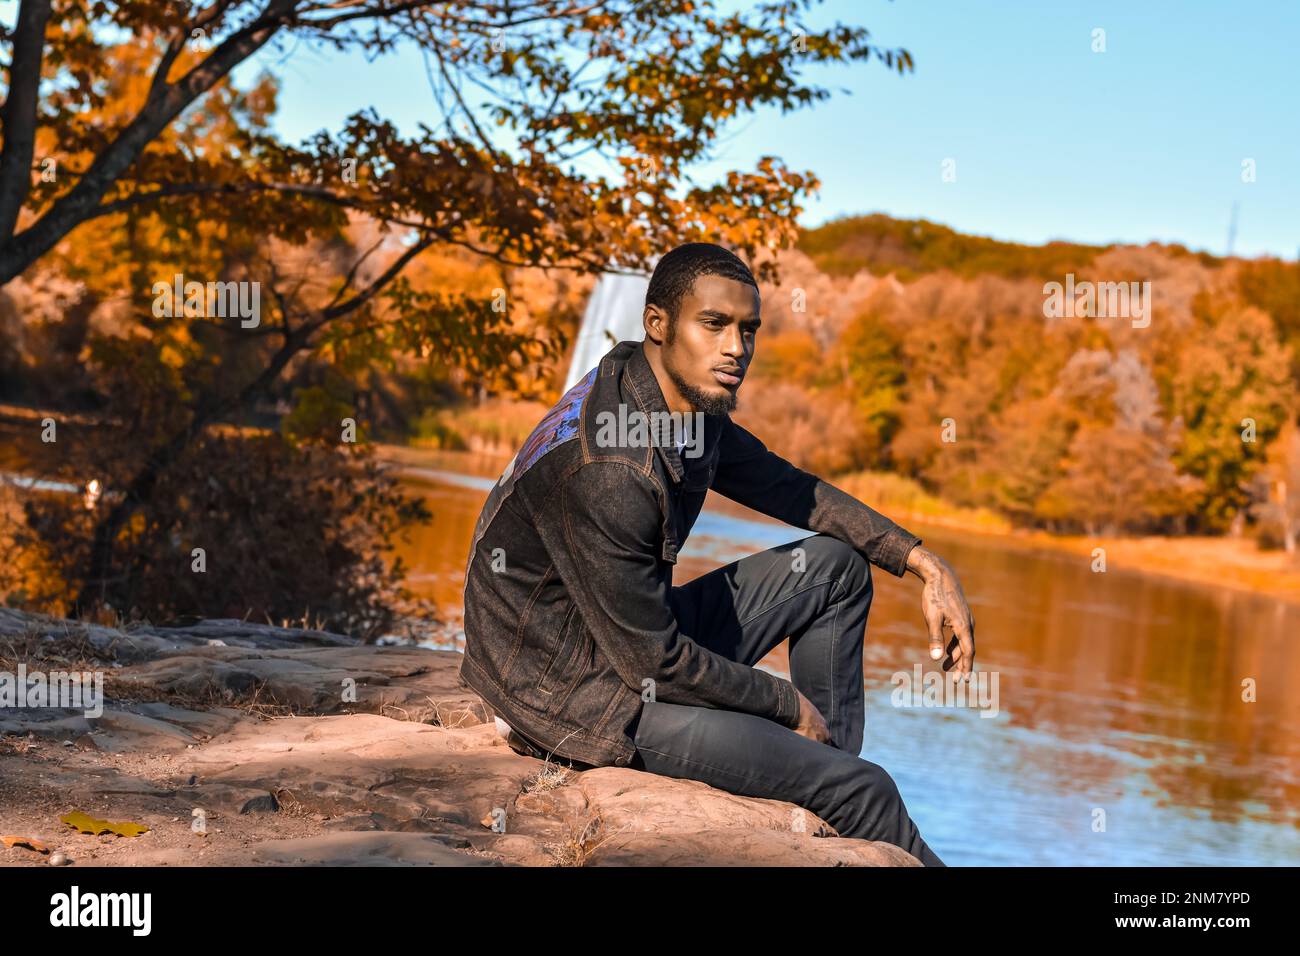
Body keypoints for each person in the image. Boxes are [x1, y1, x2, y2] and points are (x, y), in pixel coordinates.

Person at [459, 243, 975, 866]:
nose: (737, 348)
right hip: (578, 691)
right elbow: (654, 664)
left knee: (835, 570)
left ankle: (822, 781)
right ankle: (839, 789)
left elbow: (790, 488)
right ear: (658, 324)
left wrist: (921, 560)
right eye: (715, 324)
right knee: (868, 789)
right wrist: (786, 705)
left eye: (748, 329)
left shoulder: (664, 396)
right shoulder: (612, 470)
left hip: (616, 641)